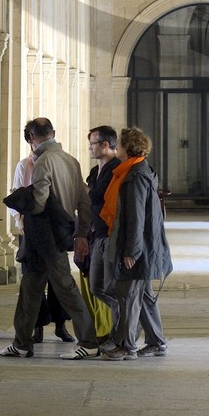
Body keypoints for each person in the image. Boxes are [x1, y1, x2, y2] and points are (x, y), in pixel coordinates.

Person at [0, 117, 99, 360]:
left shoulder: (43, 162)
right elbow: (84, 203)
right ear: (52, 132)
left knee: (66, 288)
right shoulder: (71, 161)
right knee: (30, 288)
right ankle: (22, 343)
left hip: (44, 237)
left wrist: (20, 201)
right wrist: (82, 233)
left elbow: (39, 201)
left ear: (31, 138)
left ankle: (89, 341)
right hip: (60, 233)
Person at [101, 125, 172, 361]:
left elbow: (136, 216)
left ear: (127, 148)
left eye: (119, 144)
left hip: (138, 247)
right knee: (143, 296)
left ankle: (127, 346)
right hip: (144, 246)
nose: (116, 147)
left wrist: (131, 251)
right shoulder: (136, 170)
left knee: (128, 295)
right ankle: (156, 341)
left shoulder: (135, 175)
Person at [5, 123, 74, 345]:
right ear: (31, 141)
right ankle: (37, 328)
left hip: (53, 229)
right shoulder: (23, 166)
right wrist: (20, 220)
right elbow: (15, 196)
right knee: (33, 281)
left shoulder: (55, 162)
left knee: (56, 283)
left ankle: (61, 325)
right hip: (31, 231)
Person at [85, 125, 121, 345]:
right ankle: (122, 324)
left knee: (111, 286)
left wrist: (86, 191)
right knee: (96, 286)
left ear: (105, 145)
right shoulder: (96, 170)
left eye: (92, 144)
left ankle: (120, 333)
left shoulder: (116, 168)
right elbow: (92, 192)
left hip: (110, 234)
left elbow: (98, 196)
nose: (90, 148)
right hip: (97, 232)